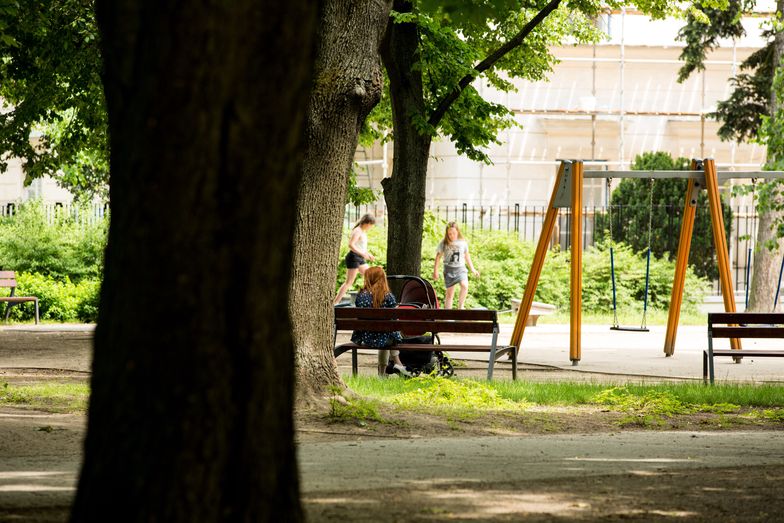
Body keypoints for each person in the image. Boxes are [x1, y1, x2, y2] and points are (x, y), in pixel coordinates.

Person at [350, 266, 411, 377]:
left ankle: (382, 374)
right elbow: (394, 320)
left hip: (366, 338)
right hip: (385, 339)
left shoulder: (360, 296)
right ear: (383, 278)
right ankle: (397, 363)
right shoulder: (388, 296)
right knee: (388, 333)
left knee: (386, 333)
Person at [433, 221, 479, 309]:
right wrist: (435, 271)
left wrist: (473, 269)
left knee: (464, 285)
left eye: (454, 233)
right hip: (449, 270)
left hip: (461, 269)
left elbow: (466, 256)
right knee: (450, 294)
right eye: (449, 234)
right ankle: (448, 314)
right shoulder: (444, 242)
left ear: (457, 231)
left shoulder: (463, 242)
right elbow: (438, 257)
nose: (452, 235)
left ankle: (461, 306)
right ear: (447, 234)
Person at [334, 214, 376, 305]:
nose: (371, 227)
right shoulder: (357, 231)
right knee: (349, 282)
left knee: (370, 277)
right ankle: (335, 303)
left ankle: (370, 300)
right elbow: (351, 245)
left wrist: (368, 254)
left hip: (359, 258)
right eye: (371, 225)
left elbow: (360, 247)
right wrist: (362, 254)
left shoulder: (362, 231)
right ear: (367, 223)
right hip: (354, 257)